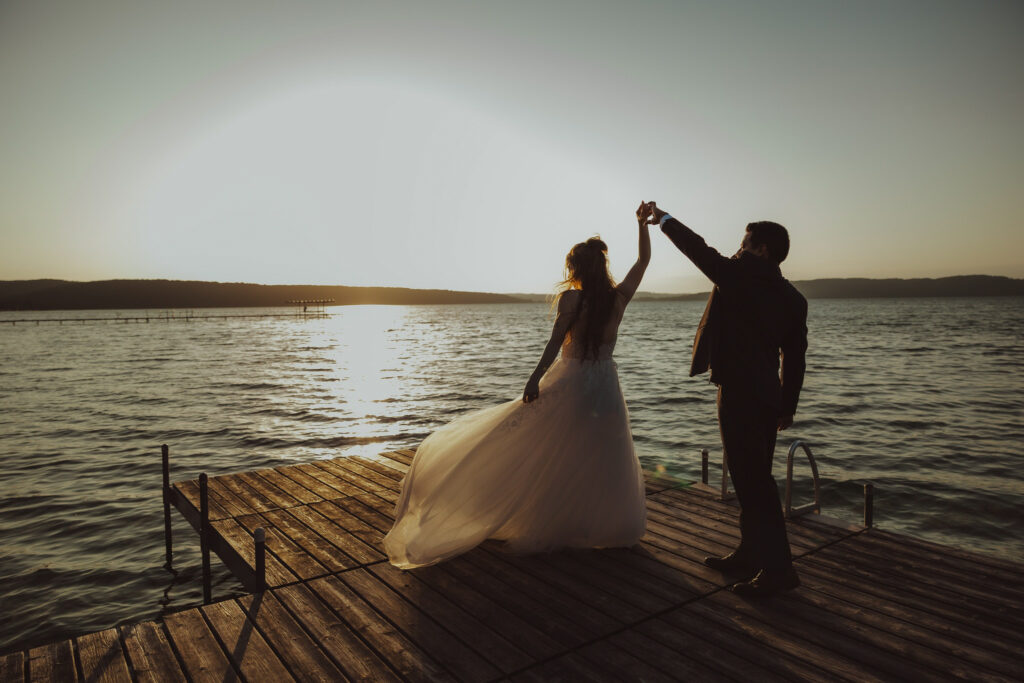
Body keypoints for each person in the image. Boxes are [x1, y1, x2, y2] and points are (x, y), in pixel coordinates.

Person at [383, 202, 654, 569]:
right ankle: (593, 523)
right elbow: (642, 263)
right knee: (600, 454)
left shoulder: (572, 297)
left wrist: (535, 377)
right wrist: (642, 225)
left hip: (571, 380)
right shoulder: (619, 298)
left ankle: (538, 514)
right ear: (602, 266)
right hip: (604, 384)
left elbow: (556, 342)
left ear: (576, 268)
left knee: (548, 448)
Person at [649, 202, 808, 598]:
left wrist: (664, 220)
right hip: (769, 397)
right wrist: (787, 406)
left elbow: (698, 249)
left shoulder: (738, 276)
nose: (737, 249)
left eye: (744, 242)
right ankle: (751, 553)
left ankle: (778, 571)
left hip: (739, 395)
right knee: (750, 478)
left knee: (754, 483)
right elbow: (795, 358)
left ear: (761, 250)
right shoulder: (793, 298)